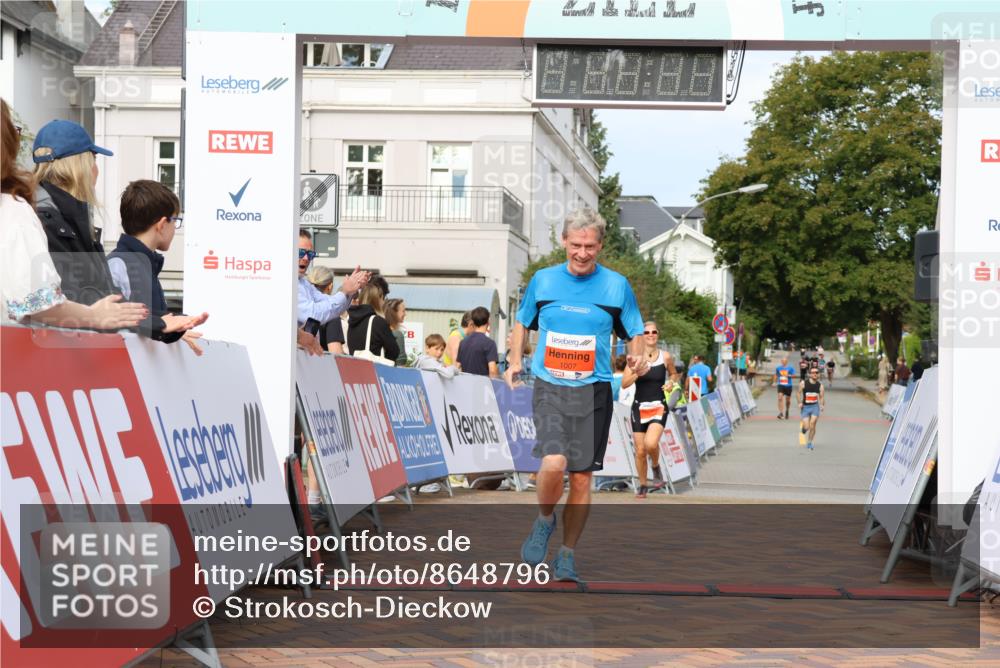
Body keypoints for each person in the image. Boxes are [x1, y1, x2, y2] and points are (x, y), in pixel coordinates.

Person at [504, 208, 646, 582]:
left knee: (582, 479)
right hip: (550, 386)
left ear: (600, 246)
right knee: (553, 463)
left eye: (590, 247)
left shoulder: (616, 286)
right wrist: (515, 359)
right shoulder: (543, 280)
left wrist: (639, 356)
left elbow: (636, 330)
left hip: (594, 390)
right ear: (564, 242)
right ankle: (544, 520)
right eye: (576, 245)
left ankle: (566, 555)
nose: (582, 254)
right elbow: (521, 321)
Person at [2, 99, 146, 330]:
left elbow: (105, 296)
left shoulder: (45, 213)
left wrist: (156, 326)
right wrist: (93, 315)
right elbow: (34, 302)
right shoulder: (18, 212)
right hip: (26, 358)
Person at [106, 179, 208, 353]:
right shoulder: (119, 264)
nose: (176, 228)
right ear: (162, 224)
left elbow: (145, 324)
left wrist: (173, 331)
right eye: (175, 221)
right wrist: (163, 325)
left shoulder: (145, 264)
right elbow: (110, 320)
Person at [621, 321, 672, 498]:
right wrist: (638, 372)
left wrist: (672, 382)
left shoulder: (665, 356)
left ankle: (656, 466)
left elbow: (674, 374)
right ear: (642, 336)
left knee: (651, 444)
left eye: (654, 332)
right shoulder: (634, 359)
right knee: (640, 450)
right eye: (647, 332)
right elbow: (624, 384)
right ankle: (643, 485)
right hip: (639, 407)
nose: (650, 334)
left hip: (658, 405)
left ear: (658, 334)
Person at [297, 229, 368, 327]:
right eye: (301, 252)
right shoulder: (285, 282)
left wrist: (352, 288)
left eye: (310, 254)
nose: (306, 258)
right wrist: (345, 292)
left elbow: (330, 304)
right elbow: (313, 315)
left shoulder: (303, 283)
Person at [346, 282, 399, 362]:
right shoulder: (378, 322)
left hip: (355, 368)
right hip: (374, 370)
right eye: (382, 298)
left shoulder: (352, 320)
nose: (384, 302)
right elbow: (394, 351)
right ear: (376, 300)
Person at [306, 265, 345, 354]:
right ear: (330, 286)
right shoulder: (331, 311)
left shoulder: (302, 307)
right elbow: (336, 352)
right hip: (320, 365)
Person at [456, 306, 499, 378]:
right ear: (488, 322)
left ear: (473, 322)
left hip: (466, 384)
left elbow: (457, 366)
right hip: (482, 386)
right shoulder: (489, 344)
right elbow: (492, 371)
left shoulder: (463, 342)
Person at [797, 366, 826, 450]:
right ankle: (804, 429)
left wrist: (821, 405)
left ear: (818, 374)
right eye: (813, 372)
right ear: (809, 374)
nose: (815, 374)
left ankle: (810, 442)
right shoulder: (803, 383)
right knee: (807, 427)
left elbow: (821, 397)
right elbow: (798, 393)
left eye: (817, 372)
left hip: (814, 407)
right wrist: (799, 403)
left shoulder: (820, 386)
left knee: (812, 424)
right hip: (805, 407)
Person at [384, 297, 409, 366]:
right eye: (403, 311)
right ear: (394, 312)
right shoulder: (397, 334)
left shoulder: (381, 332)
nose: (405, 314)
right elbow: (400, 363)